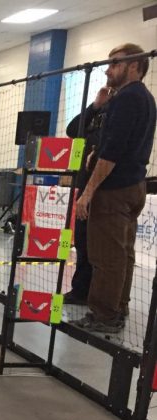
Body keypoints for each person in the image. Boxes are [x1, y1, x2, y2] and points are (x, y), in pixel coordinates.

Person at [72, 44, 156, 334]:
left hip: (114, 189)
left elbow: (111, 153)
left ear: (135, 66)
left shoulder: (127, 99)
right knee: (123, 254)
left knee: (105, 255)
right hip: (134, 185)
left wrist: (88, 192)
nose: (108, 69)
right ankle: (117, 307)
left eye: (115, 63)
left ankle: (104, 315)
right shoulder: (145, 99)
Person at [63, 86, 113, 306]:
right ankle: (81, 290)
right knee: (82, 241)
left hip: (101, 189)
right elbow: (72, 129)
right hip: (84, 185)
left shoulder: (116, 117)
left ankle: (97, 295)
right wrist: (95, 106)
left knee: (96, 245)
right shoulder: (95, 116)